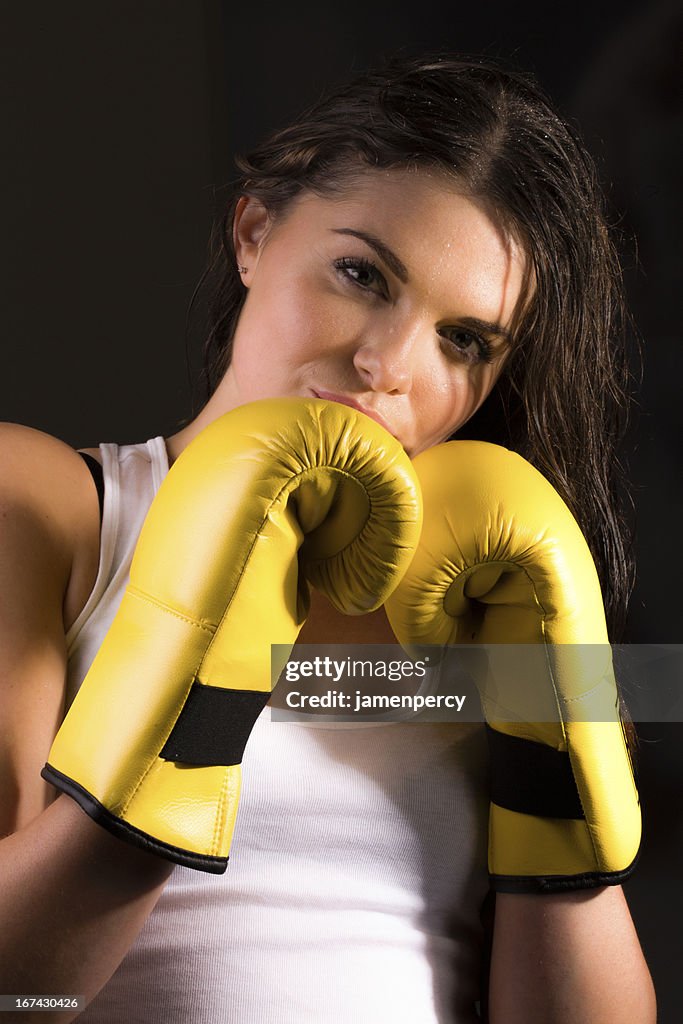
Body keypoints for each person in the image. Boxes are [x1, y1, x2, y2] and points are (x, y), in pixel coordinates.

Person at [0, 52, 656, 1023]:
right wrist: (193, 696)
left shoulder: (493, 598)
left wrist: (557, 796)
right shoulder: (52, 505)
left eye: (463, 339)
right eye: (360, 273)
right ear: (254, 232)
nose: (385, 364)